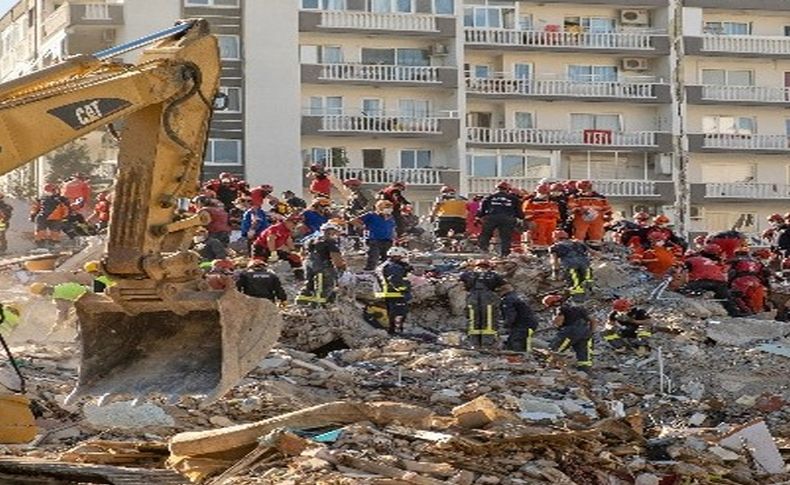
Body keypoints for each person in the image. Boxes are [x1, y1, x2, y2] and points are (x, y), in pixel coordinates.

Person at [682, 244, 742, 317]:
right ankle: (734, 313)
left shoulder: (690, 260)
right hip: (720, 282)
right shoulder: (711, 261)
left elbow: (682, 273)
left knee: (683, 292)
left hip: (701, 281)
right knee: (726, 299)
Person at [296, 222, 346, 306]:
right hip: (322, 268)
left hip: (308, 265)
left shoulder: (311, 240)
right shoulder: (330, 242)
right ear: (331, 231)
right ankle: (318, 305)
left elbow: (302, 253)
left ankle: (302, 301)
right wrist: (341, 267)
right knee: (323, 287)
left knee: (309, 284)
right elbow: (336, 258)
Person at [459, 259, 506, 347]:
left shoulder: (468, 274)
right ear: (489, 267)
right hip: (488, 298)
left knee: (473, 319)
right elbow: (505, 287)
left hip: (472, 298)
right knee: (488, 320)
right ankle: (487, 343)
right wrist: (497, 293)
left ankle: (474, 343)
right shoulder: (494, 275)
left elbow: (460, 284)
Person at [544, 294, 595, 371]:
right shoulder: (579, 308)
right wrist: (591, 332)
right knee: (583, 352)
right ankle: (585, 370)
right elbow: (593, 321)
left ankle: (550, 366)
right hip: (585, 331)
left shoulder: (560, 309)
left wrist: (555, 320)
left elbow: (559, 323)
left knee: (556, 347)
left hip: (571, 332)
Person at [477, 181, 523, 257]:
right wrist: (520, 218)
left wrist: (478, 217)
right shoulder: (513, 199)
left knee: (486, 234)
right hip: (507, 219)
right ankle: (504, 254)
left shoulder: (489, 197)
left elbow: (481, 210)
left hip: (492, 218)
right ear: (507, 189)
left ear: (496, 188)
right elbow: (519, 213)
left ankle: (483, 251)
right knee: (505, 237)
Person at [374, 246, 413, 334]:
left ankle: (393, 331)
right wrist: (405, 289)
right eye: (403, 257)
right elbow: (395, 281)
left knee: (391, 313)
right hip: (396, 294)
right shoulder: (394, 267)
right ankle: (398, 332)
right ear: (397, 256)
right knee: (399, 313)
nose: (405, 259)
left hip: (387, 293)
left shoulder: (384, 265)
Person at [252, 215, 304, 280]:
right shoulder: (276, 228)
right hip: (262, 247)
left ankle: (299, 276)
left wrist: (292, 250)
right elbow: (270, 240)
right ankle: (257, 280)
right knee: (258, 263)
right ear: (287, 222)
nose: (295, 225)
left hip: (275, 247)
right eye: (294, 223)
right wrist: (273, 253)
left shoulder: (287, 230)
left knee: (294, 258)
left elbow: (288, 240)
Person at [567, 180, 612, 250]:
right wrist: (580, 210)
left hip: (597, 219)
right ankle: (578, 249)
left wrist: (609, 215)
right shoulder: (575, 196)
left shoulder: (600, 197)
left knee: (596, 235)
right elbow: (571, 206)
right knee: (579, 234)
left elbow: (607, 208)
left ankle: (596, 249)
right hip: (581, 218)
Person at [353, 200, 397, 271]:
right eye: (387, 207)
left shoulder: (391, 217)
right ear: (380, 207)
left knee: (386, 259)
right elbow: (354, 221)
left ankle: (384, 273)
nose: (389, 209)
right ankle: (369, 272)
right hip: (374, 240)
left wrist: (395, 238)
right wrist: (362, 227)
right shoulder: (371, 215)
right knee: (374, 257)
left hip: (388, 240)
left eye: (390, 207)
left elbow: (393, 228)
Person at [549, 230, 593, 296]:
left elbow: (554, 261)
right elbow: (592, 252)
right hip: (585, 266)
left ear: (555, 238)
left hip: (571, 267)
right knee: (588, 281)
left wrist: (555, 273)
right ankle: (591, 295)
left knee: (575, 285)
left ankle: (577, 299)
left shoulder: (554, 247)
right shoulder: (578, 243)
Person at [497, 284, 538, 352]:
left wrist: (504, 327)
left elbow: (511, 316)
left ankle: (517, 357)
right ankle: (524, 356)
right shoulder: (518, 296)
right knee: (522, 340)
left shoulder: (508, 299)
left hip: (522, 324)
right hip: (530, 322)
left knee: (515, 341)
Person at [523, 183, 560, 253]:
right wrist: (530, 221)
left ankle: (550, 252)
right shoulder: (531, 201)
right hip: (538, 223)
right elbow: (527, 214)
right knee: (539, 238)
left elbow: (556, 212)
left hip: (551, 223)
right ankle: (540, 252)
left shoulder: (552, 201)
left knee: (551, 238)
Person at [30, 183, 70, 248]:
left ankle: (54, 245)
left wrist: (66, 217)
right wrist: (32, 215)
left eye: (50, 191)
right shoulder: (41, 198)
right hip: (43, 216)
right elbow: (36, 207)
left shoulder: (61, 199)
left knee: (55, 233)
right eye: (47, 191)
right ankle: (40, 246)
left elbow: (66, 208)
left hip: (56, 218)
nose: (49, 192)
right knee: (40, 232)